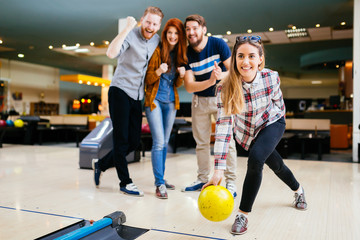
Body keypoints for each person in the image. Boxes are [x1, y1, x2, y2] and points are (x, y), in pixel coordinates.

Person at [203, 35, 307, 235]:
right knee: (277, 165)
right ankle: (299, 191)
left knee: (257, 158)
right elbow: (223, 129)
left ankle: (243, 214)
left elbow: (279, 104)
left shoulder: (271, 77)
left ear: (260, 59)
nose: (246, 61)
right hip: (247, 133)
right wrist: (218, 170)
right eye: (240, 56)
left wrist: (272, 127)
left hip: (272, 122)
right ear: (234, 59)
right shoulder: (224, 88)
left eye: (251, 56)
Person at [92, 6, 163, 197]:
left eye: (155, 24)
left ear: (158, 26)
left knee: (133, 142)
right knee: (121, 139)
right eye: (148, 22)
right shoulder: (130, 35)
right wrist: (126, 28)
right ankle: (125, 182)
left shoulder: (156, 39)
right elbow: (110, 53)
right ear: (142, 20)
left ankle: (101, 164)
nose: (150, 26)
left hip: (137, 95)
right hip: (120, 91)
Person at [181, 14, 238, 197]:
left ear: (203, 29)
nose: (191, 32)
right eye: (188, 29)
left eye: (195, 28)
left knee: (227, 142)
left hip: (221, 98)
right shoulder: (186, 53)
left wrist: (219, 77)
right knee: (201, 143)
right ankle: (202, 179)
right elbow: (189, 86)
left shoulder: (218, 44)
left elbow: (234, 72)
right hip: (199, 102)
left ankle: (230, 182)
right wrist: (211, 80)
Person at [144, 18, 187, 199]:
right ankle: (159, 183)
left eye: (176, 33)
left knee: (164, 142)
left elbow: (176, 84)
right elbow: (148, 79)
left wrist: (182, 76)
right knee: (159, 142)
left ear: (180, 36)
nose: (172, 36)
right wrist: (159, 71)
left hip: (170, 103)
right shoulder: (157, 51)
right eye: (170, 32)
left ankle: (161, 178)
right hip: (154, 101)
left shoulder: (179, 55)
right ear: (165, 33)